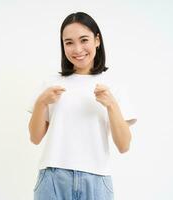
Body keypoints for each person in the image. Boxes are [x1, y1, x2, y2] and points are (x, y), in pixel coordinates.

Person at [28, 12, 137, 200]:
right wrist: (41, 102)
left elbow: (124, 145)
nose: (77, 49)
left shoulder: (114, 86)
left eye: (84, 40)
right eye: (69, 42)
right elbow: (35, 138)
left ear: (97, 40)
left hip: (96, 180)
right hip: (53, 178)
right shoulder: (51, 83)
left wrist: (111, 104)